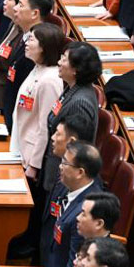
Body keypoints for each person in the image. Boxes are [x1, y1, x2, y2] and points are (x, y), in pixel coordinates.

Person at [41, 43, 101, 193]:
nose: (59, 62)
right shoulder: (72, 88)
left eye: (64, 59)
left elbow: (74, 150)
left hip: (62, 178)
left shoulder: (80, 103)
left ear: (76, 70)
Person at [43, 142, 104, 267]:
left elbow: (74, 266)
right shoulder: (67, 186)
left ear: (80, 172)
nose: (60, 166)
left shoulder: (86, 213)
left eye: (65, 163)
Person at [12, 22, 65, 181]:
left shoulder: (49, 81)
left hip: (31, 154)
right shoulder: (37, 68)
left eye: (31, 40)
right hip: (22, 143)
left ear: (44, 47)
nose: (26, 43)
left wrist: (34, 165)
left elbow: (45, 126)